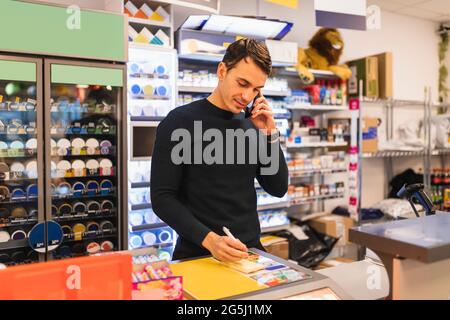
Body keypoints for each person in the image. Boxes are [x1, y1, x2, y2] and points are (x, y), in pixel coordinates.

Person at [150, 39, 288, 262]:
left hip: (250, 253)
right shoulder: (179, 122)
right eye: (242, 83)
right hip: (198, 255)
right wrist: (210, 240)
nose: (247, 97)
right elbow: (162, 198)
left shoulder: (253, 124)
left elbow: (278, 188)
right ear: (222, 70)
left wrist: (270, 136)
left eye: (256, 90)